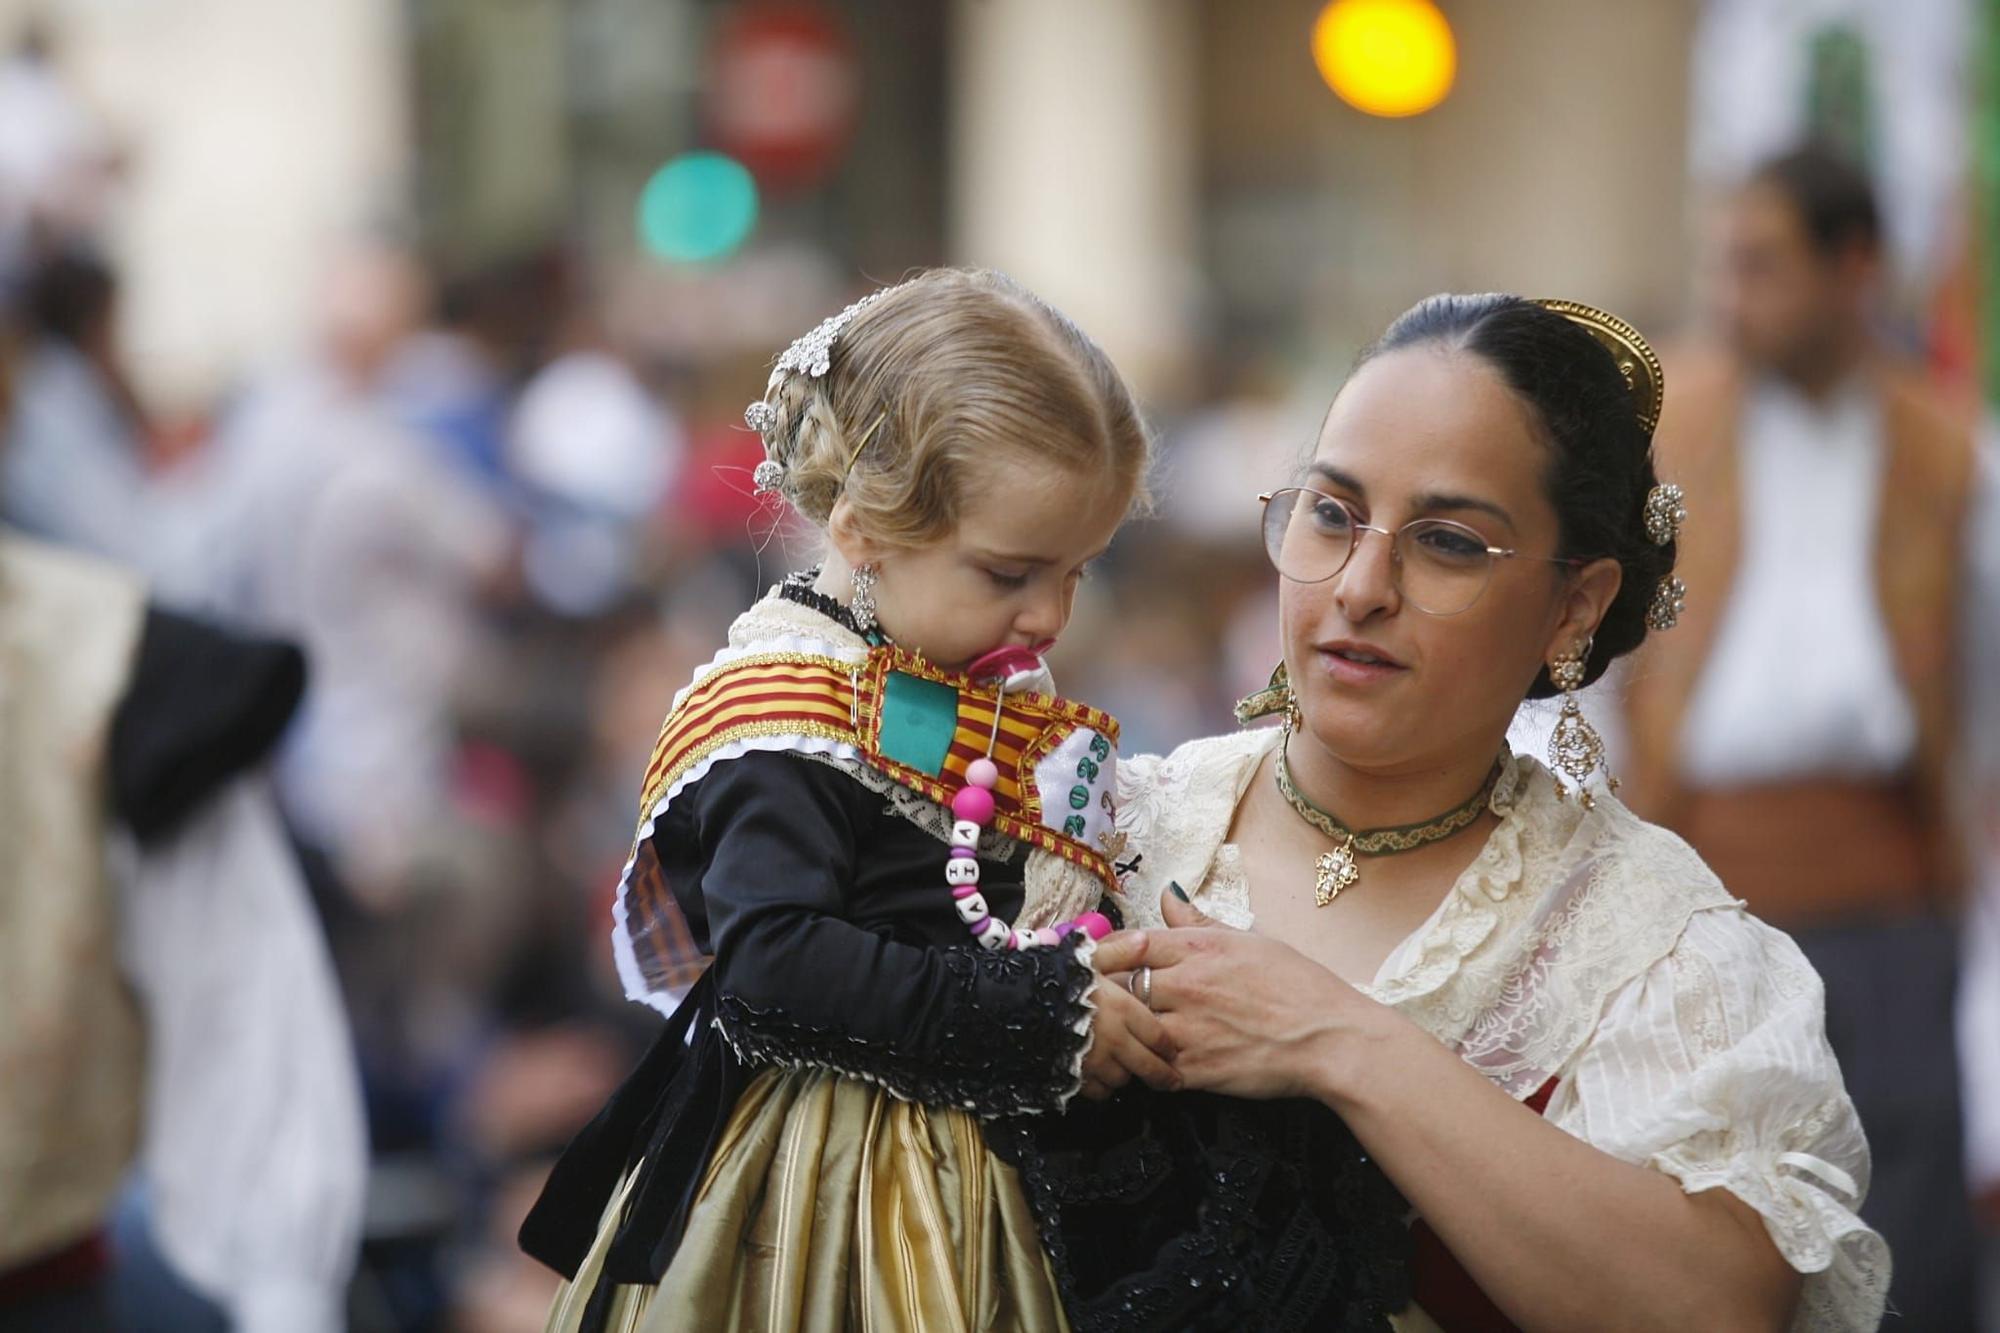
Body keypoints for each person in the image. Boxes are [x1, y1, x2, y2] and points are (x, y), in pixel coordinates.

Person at [1096, 293, 1885, 1330]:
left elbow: (1720, 1306)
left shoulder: (1646, 944)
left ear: (1575, 604)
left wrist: (1343, 1041)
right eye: (1331, 514)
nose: (1360, 586)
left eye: (1448, 543)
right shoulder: (1110, 826)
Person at [518, 268, 1174, 1330]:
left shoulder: (957, 671)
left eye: (1080, 570)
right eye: (1010, 571)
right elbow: (771, 967)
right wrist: (1043, 1018)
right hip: (836, 1200)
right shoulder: (791, 711)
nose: (1050, 610)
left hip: (996, 1163)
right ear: (866, 526)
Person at [1621, 144, 1983, 1328]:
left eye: (1761, 265)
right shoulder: (1666, 431)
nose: (1731, 296)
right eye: (1723, 264)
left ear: (1854, 267)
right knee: (1711, 1217)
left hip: (1891, 894)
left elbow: (1980, 697)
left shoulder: (1943, 448)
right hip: (1699, 892)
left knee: (1910, 1218)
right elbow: (1578, 681)